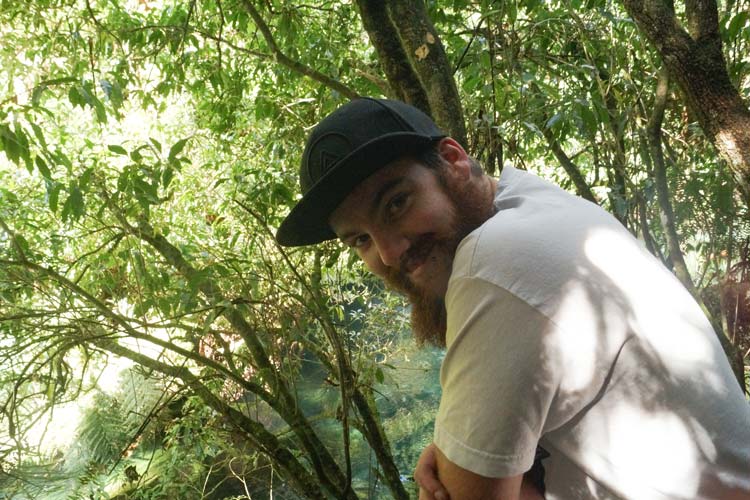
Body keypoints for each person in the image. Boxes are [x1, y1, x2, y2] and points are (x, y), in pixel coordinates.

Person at [276, 98, 750, 499]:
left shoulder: (493, 262)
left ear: (453, 160)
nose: (388, 252)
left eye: (396, 202)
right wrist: (460, 450)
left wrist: (461, 466)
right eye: (359, 239)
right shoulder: (533, 200)